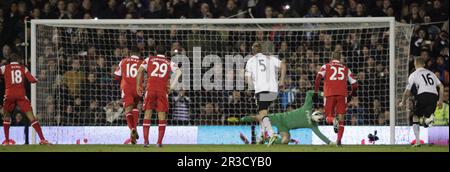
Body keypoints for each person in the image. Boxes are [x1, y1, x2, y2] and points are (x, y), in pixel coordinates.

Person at [240, 90, 333, 145]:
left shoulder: (312, 121)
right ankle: (243, 119)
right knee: (260, 117)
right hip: (280, 118)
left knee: (285, 140)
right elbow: (309, 93)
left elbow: (321, 135)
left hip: (284, 126)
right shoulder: (308, 112)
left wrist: (330, 143)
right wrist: (322, 93)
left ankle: (266, 139)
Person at [136, 46, 182, 147]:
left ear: (156, 52)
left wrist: (138, 86)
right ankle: (159, 142)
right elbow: (179, 72)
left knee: (147, 114)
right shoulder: (168, 62)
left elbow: (139, 71)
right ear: (165, 53)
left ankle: (146, 142)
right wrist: (172, 87)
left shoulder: (149, 59)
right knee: (161, 116)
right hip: (162, 91)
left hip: (150, 89)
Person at [1, 53, 49, 145]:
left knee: (6, 117)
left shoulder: (5, 68)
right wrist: (37, 79)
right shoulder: (23, 68)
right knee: (31, 117)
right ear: (18, 60)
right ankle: (42, 139)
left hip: (9, 95)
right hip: (21, 95)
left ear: (10, 61)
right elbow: (32, 80)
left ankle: (7, 141)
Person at [245, 42, 286, 146]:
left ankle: (272, 134)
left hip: (261, 90)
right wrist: (281, 81)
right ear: (261, 50)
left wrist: (250, 87)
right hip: (273, 90)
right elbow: (283, 65)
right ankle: (262, 135)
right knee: (263, 113)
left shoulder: (250, 61)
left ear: (253, 51)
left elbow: (247, 78)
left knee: (262, 113)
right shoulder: (270, 58)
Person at [314, 52, 358, 146]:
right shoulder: (346, 69)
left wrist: (315, 92)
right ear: (340, 59)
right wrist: (351, 95)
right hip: (342, 95)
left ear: (331, 58)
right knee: (341, 118)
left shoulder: (326, 66)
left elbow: (318, 78)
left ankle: (334, 120)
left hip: (329, 94)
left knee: (327, 117)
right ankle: (339, 141)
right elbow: (354, 84)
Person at [399, 57, 444, 147]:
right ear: (424, 64)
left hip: (422, 95)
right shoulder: (431, 73)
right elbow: (441, 86)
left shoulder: (413, 74)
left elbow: (407, 92)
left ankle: (418, 142)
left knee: (415, 117)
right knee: (426, 118)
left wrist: (402, 102)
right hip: (434, 96)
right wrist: (440, 100)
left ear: (415, 64)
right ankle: (428, 119)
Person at [113, 47, 143, 144]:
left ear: (130, 53)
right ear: (139, 54)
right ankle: (135, 128)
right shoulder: (142, 62)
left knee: (127, 110)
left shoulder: (123, 61)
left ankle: (132, 129)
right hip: (138, 87)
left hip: (126, 88)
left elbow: (117, 77)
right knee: (135, 107)